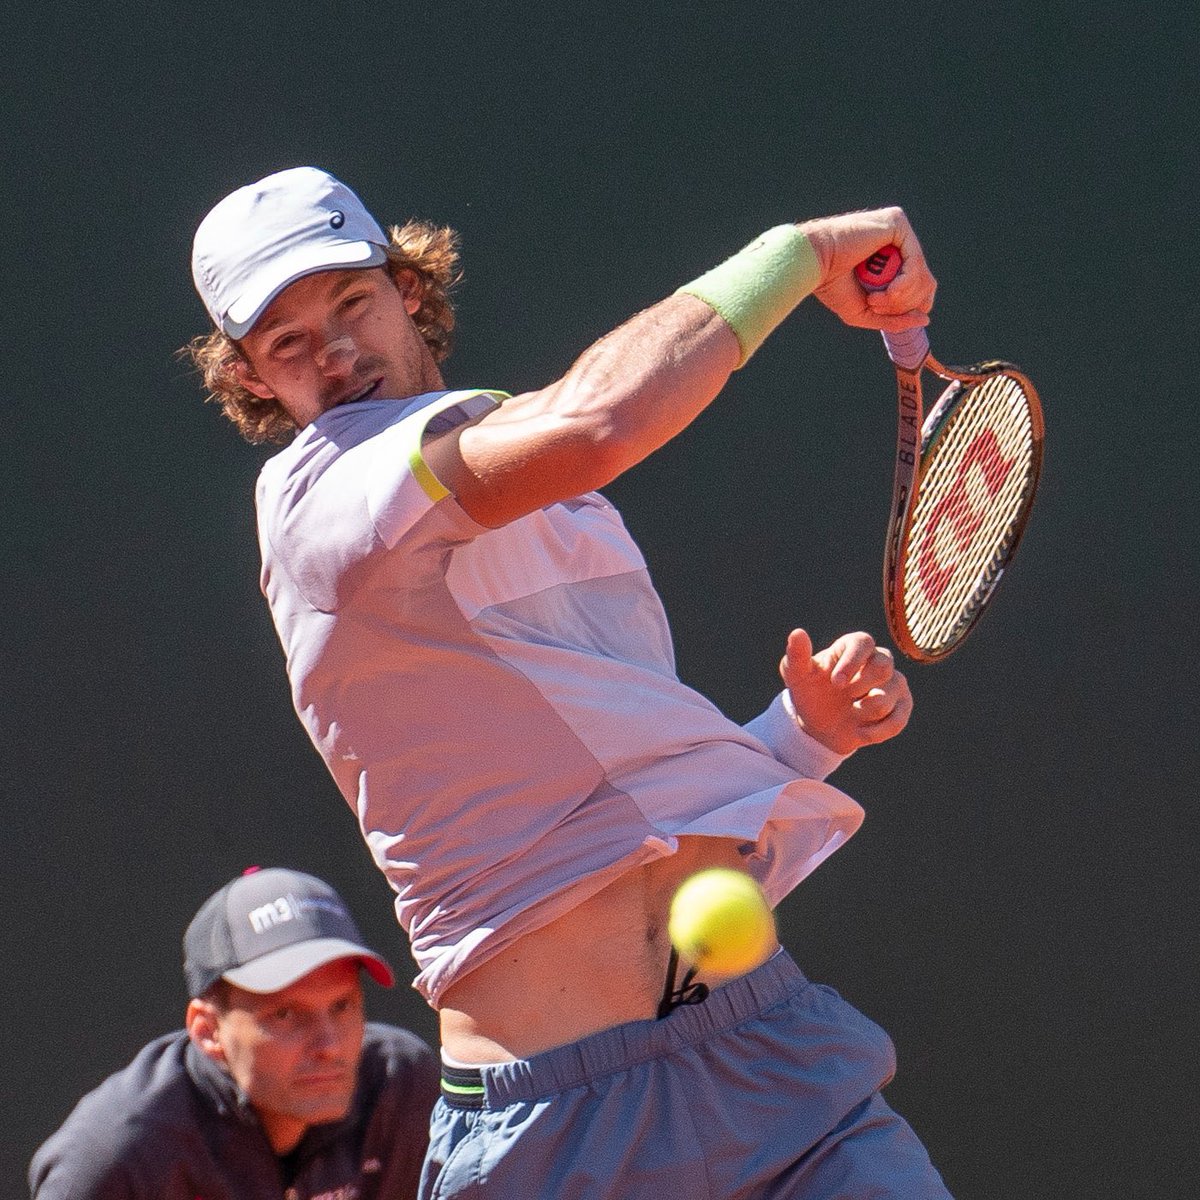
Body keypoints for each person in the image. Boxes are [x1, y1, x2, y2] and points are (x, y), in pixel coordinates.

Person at [184, 166, 950, 1198]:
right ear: (250, 379)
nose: (334, 353)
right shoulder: (318, 500)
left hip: (772, 1063)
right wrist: (800, 255)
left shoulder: (563, 511)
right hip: (558, 1138)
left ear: (407, 288)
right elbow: (599, 425)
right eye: (287, 342)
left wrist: (799, 736)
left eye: (352, 302)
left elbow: (621, 839)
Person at [29, 866, 439, 1200]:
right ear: (207, 1031)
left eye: (341, 1006)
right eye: (285, 1015)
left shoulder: (399, 1088)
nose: (330, 1045)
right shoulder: (116, 1158)